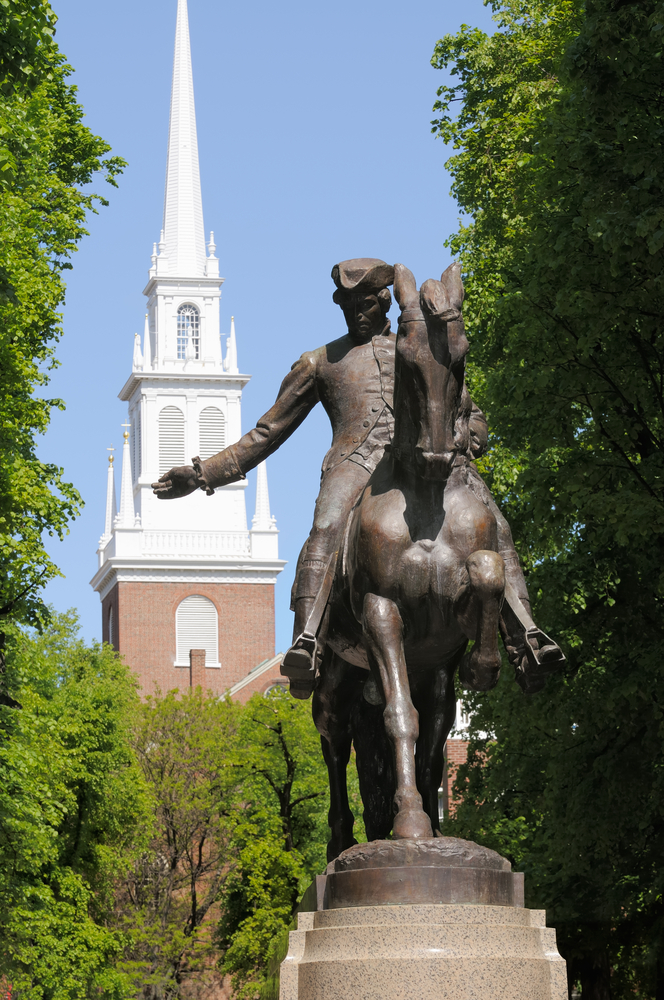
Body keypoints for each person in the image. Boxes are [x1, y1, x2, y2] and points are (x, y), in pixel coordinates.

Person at [153, 257, 563, 697]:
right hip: (355, 464)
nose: (357, 313)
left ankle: (526, 638)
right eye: (348, 305)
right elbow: (267, 432)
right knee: (325, 528)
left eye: (365, 303)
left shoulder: (416, 343)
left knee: (495, 523)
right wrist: (201, 474)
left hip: (428, 454)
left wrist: (472, 433)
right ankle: (307, 641)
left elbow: (465, 403)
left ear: (385, 301)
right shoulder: (318, 362)